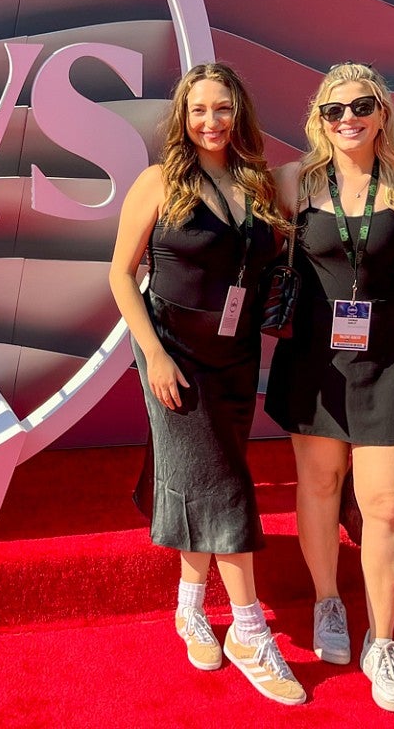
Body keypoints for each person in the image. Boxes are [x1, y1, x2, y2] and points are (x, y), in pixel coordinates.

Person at [110, 63, 305, 707]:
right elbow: (120, 275)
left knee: (206, 478)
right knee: (223, 482)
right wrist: (155, 358)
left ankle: (190, 609)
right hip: (174, 352)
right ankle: (250, 631)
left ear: (239, 112)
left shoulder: (255, 181)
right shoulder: (158, 183)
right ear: (182, 115)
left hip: (236, 353)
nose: (211, 121)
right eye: (199, 110)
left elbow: (329, 162)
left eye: (223, 109)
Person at [265, 63, 394, 713]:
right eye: (335, 109)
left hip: (386, 358)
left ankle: (382, 642)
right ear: (319, 119)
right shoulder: (293, 182)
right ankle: (329, 601)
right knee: (321, 487)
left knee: (385, 506)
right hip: (316, 363)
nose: (348, 117)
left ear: (382, 112)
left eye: (361, 105)